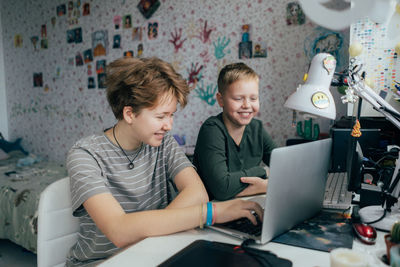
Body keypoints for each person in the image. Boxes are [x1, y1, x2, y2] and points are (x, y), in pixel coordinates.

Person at [66, 57, 263, 266]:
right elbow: (119, 230)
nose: (169, 125)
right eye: (161, 117)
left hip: (155, 253)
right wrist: (211, 213)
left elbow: (197, 192)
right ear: (130, 113)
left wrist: (154, 231)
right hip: (104, 262)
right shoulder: (85, 155)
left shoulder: (163, 143)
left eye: (172, 115)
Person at [193, 62, 277, 201]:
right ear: (221, 100)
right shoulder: (212, 130)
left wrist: (264, 185)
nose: (247, 105)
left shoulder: (257, 128)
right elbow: (222, 189)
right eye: (238, 99)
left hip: (247, 201)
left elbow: (284, 168)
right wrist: (262, 172)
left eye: (253, 98)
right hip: (215, 208)